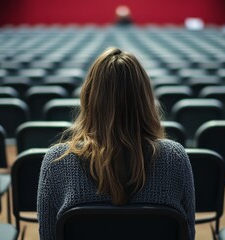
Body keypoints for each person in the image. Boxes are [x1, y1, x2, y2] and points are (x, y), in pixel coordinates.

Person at [37, 47, 196, 239]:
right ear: (145, 98)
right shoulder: (175, 157)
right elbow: (187, 235)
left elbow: (48, 236)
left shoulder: (56, 161)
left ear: (88, 97)